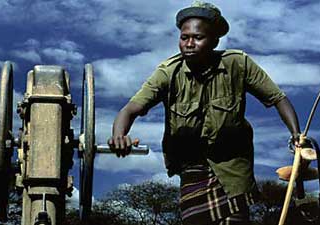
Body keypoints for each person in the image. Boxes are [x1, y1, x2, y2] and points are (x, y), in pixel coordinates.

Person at [108, 1, 302, 224]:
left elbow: (278, 98)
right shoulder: (168, 72)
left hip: (233, 167)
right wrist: (119, 135)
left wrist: (296, 135)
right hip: (192, 168)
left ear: (214, 41)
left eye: (198, 38)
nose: (189, 44)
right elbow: (131, 109)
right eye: (184, 37)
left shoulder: (238, 64)